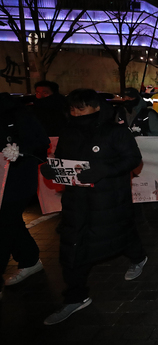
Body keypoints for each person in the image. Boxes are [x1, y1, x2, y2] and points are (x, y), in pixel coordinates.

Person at [39, 89, 147, 325]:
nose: (76, 112)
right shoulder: (68, 132)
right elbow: (62, 160)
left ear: (97, 107)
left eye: (82, 107)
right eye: (73, 108)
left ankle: (138, 257)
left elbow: (132, 159)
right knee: (73, 247)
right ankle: (75, 297)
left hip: (109, 199)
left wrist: (103, 170)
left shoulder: (116, 132)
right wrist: (52, 169)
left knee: (121, 234)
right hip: (77, 201)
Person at [1, 94, 50, 299]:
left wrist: (19, 152)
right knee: (10, 223)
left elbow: (41, 143)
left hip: (16, 181)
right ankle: (30, 260)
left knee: (5, 223)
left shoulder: (18, 114)